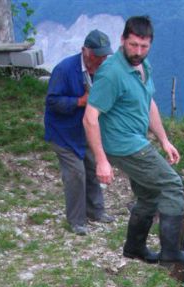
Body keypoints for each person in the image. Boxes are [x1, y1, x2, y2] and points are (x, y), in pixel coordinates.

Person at [83, 15, 184, 263]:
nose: (138, 51)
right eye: (133, 45)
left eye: (144, 46)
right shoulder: (111, 73)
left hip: (135, 139)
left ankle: (134, 248)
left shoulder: (143, 66)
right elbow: (89, 118)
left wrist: (164, 140)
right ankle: (170, 253)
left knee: (149, 195)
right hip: (123, 145)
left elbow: (148, 102)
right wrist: (101, 160)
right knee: (172, 186)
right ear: (122, 40)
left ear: (150, 44)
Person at [44, 30, 115, 235]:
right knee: (76, 173)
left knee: (93, 166)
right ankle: (77, 220)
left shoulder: (102, 69)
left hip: (86, 130)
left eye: (103, 56)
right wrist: (78, 102)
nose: (100, 60)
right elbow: (52, 101)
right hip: (63, 133)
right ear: (85, 51)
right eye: (96, 55)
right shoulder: (64, 70)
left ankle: (96, 211)